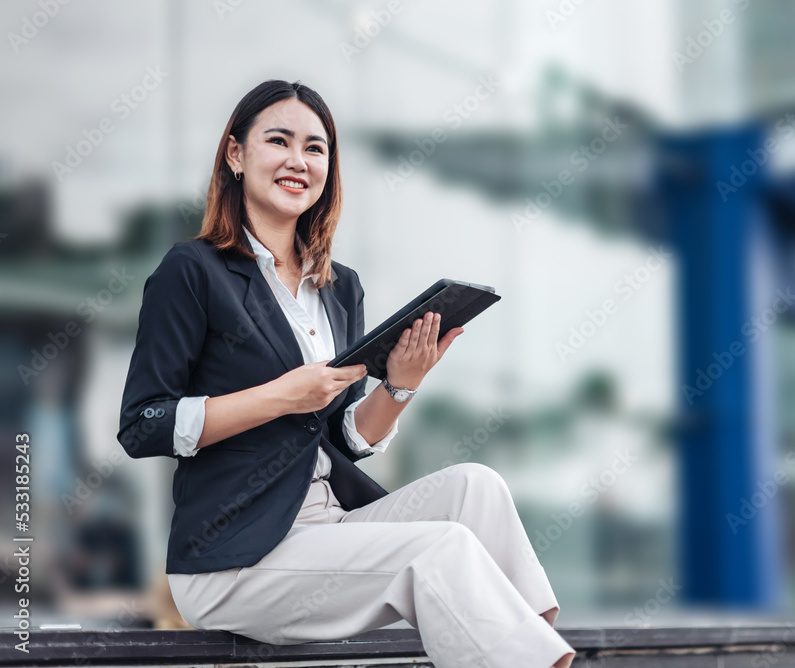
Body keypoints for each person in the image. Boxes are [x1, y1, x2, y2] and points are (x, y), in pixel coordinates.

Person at [117, 79, 575, 668]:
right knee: (439, 548)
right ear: (236, 154)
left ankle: (538, 655)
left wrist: (401, 384)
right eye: (278, 141)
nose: (297, 161)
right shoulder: (193, 271)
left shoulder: (339, 287)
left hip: (326, 524)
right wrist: (280, 396)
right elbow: (143, 425)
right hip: (233, 558)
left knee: (476, 488)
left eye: (315, 148)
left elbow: (338, 439)